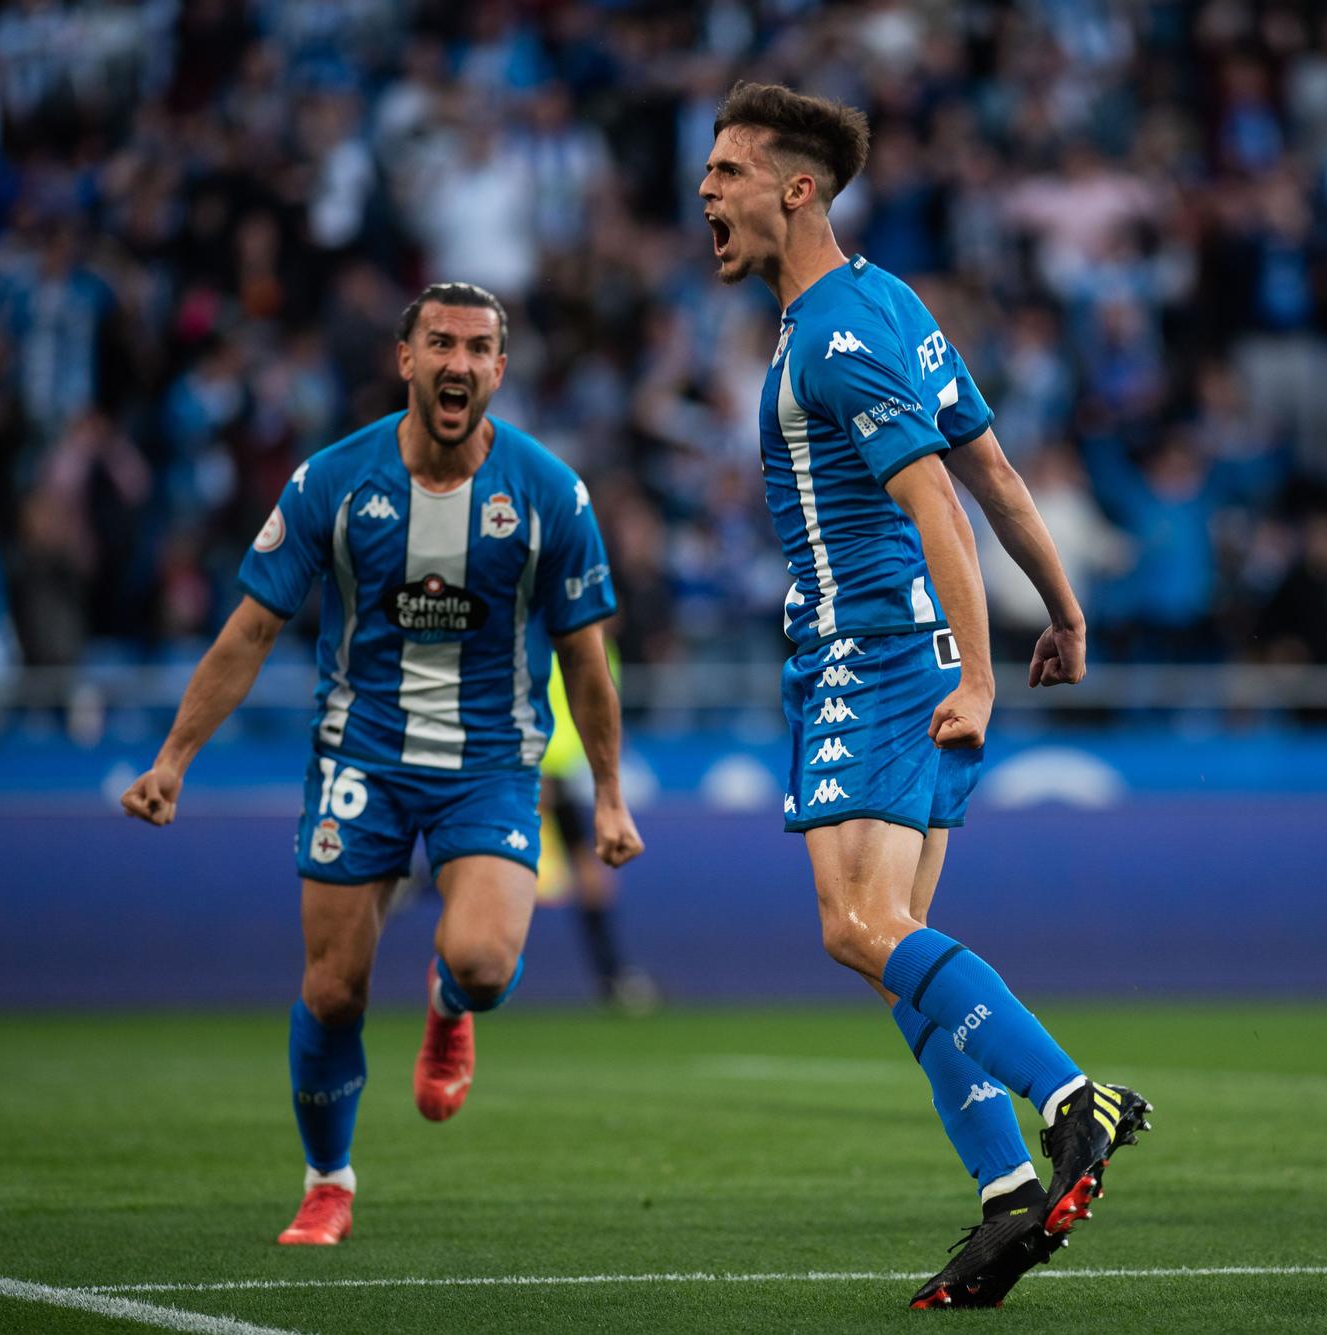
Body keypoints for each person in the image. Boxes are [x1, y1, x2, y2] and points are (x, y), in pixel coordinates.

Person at [698, 82, 1152, 1309]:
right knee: (896, 948)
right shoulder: (886, 302)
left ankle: (1070, 1099)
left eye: (729, 173)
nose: (707, 195)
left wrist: (979, 668)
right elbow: (995, 466)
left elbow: (937, 500)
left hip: (872, 657)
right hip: (897, 652)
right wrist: (1061, 605)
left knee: (853, 927)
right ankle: (1007, 1197)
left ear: (796, 188)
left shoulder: (834, 339)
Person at [119, 283, 643, 1246]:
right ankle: (329, 1180)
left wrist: (608, 792)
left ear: (499, 369)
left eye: (478, 348)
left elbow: (586, 660)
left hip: (489, 760)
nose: (458, 362)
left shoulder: (548, 492)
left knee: (484, 963)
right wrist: (173, 758)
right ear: (405, 358)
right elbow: (249, 630)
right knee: (333, 990)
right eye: (439, 343)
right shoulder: (333, 481)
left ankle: (451, 1006)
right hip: (360, 753)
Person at [538, 648, 659, 1011]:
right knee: (532, 873)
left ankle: (612, 975)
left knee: (591, 875)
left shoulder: (604, 648)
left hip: (575, 774)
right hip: (542, 770)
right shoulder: (556, 639)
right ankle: (613, 974)